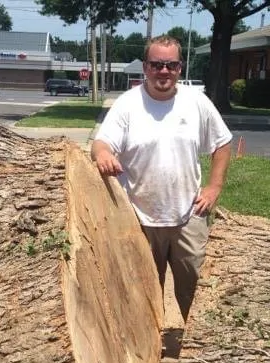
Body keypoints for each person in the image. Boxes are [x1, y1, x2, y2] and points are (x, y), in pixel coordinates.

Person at [91, 35, 233, 322]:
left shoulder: (197, 102)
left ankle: (196, 352)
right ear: (146, 67)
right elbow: (102, 143)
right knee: (142, 291)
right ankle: (148, 352)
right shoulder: (128, 104)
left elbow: (222, 143)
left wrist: (214, 186)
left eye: (171, 65)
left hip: (189, 215)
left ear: (180, 68)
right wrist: (103, 154)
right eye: (156, 64)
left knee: (196, 292)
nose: (163, 71)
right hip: (139, 218)